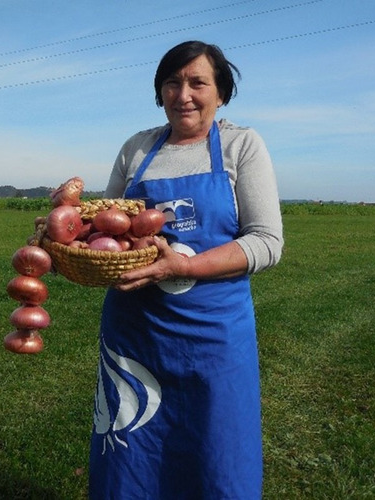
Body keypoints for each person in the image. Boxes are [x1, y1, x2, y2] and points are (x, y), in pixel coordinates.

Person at [89, 40, 283, 499]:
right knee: (130, 454)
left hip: (214, 336)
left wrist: (184, 265)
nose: (184, 94)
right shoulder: (137, 149)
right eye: (172, 82)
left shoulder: (241, 145)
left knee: (217, 453)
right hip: (135, 334)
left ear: (221, 92)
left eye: (198, 82)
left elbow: (266, 242)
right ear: (160, 91)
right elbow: (106, 227)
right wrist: (65, 240)